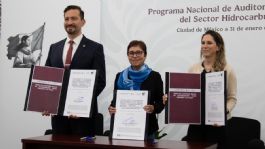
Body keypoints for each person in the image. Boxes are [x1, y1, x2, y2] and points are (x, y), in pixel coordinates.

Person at [163, 30, 237, 148]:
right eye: (203, 43)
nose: (205, 46)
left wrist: (223, 112)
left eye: (209, 43)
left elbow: (232, 98)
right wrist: (170, 99)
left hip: (217, 125)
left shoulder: (228, 69)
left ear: (218, 47)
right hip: (196, 125)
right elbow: (187, 95)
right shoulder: (194, 68)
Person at [44, 5, 106, 136]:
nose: (69, 22)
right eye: (66, 19)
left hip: (83, 118)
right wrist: (47, 103)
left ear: (83, 22)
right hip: (58, 117)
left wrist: (81, 105)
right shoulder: (54, 48)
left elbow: (100, 81)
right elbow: (47, 79)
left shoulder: (95, 48)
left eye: (74, 18)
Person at [108, 40, 164, 140]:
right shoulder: (119, 76)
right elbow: (115, 101)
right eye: (131, 53)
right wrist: (111, 108)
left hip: (147, 129)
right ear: (128, 55)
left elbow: (161, 103)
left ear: (145, 55)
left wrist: (153, 108)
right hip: (123, 127)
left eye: (138, 52)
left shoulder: (155, 76)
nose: (134, 55)